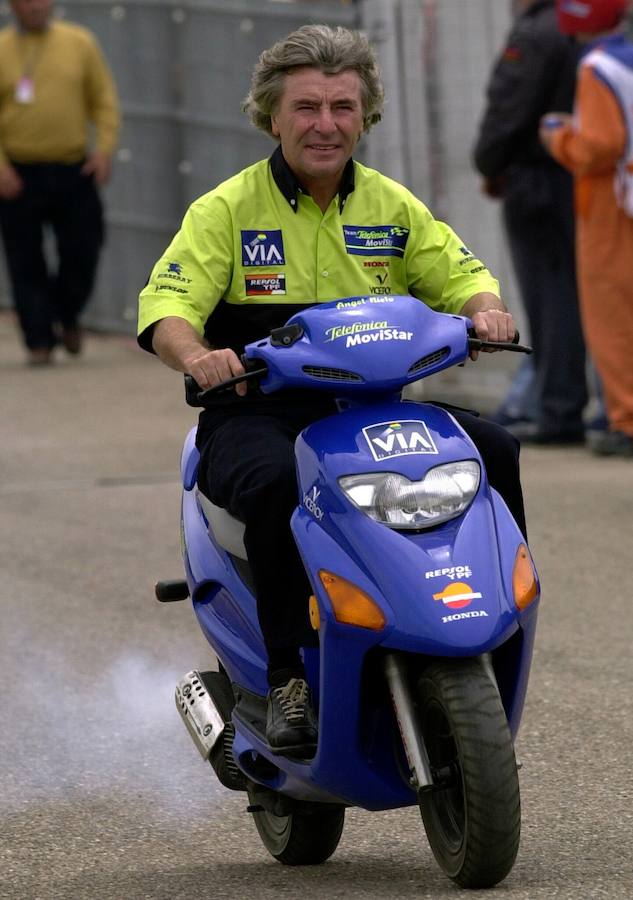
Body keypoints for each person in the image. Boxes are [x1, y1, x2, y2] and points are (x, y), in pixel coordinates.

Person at [138, 24, 527, 757]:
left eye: (342, 107)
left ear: (365, 115)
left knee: (495, 450)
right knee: (278, 484)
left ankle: (491, 623)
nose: (326, 125)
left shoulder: (391, 204)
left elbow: (462, 274)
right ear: (272, 116)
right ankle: (287, 675)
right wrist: (196, 355)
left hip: (374, 414)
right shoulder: (224, 211)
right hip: (259, 415)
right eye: (308, 107)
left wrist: (485, 311)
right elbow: (167, 306)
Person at [473, 0, 588, 444]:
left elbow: (510, 107)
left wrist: (489, 163)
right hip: (576, 178)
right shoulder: (586, 27)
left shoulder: (539, 32)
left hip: (537, 183)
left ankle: (559, 410)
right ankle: (569, 405)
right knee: (575, 297)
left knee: (551, 299)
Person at [0, 0, 119, 365]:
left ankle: (67, 314)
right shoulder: (2, 48)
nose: (36, 7)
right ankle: (39, 339)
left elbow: (103, 101)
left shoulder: (79, 43)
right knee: (25, 259)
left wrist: (104, 150)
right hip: (18, 173)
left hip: (72, 168)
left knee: (83, 249)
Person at [541, 0, 633, 456]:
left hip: (612, 206)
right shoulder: (625, 57)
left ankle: (626, 421)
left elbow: (600, 146)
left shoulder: (596, 66)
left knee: (613, 316)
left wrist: (559, 135)